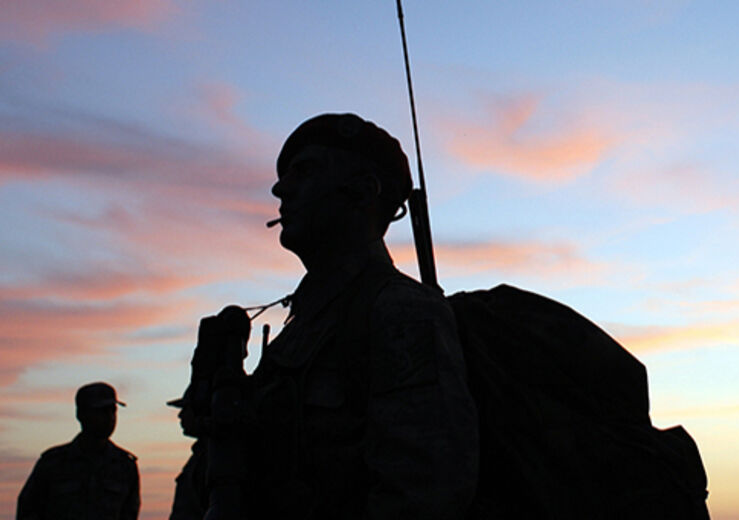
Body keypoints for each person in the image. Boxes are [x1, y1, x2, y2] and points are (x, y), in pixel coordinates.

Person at [172, 113, 478, 519]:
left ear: (364, 191)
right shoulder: (301, 329)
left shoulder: (401, 313)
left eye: (305, 170)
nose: (280, 188)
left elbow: (423, 495)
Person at [17, 382, 140, 520]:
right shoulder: (53, 464)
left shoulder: (125, 466)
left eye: (112, 410)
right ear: (81, 414)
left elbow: (129, 513)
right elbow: (28, 510)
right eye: (101, 411)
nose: (109, 417)